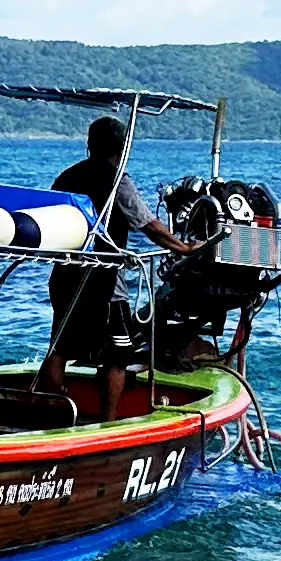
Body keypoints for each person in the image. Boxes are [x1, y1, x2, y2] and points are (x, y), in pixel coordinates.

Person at [39, 115, 177, 401]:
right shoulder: (118, 182)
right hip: (104, 283)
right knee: (117, 356)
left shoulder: (66, 176)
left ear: (89, 145)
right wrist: (185, 247)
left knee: (59, 347)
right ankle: (108, 421)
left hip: (65, 275)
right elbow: (150, 226)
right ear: (122, 148)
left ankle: (51, 411)